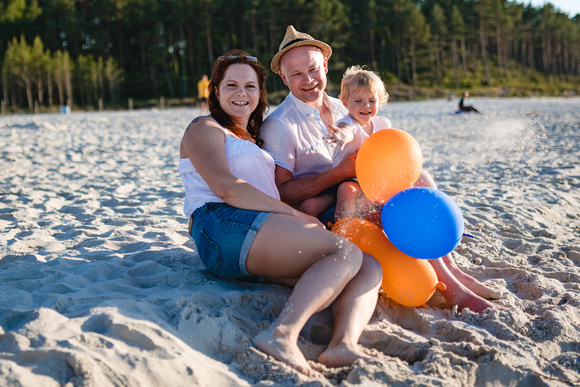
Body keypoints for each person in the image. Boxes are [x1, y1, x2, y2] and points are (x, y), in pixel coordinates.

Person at [261, 25, 500, 314]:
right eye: (296, 74)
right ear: (282, 77)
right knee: (401, 206)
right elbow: (282, 193)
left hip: (360, 185)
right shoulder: (280, 124)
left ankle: (452, 271)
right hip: (331, 209)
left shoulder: (344, 106)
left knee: (421, 180)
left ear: (325, 65)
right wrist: (338, 175)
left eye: (313, 69)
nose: (308, 80)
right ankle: (452, 288)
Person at [179, 50, 383, 376]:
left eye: (250, 86)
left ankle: (342, 345)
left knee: (366, 265)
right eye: (231, 85)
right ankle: (282, 335)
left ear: (261, 93)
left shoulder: (252, 139)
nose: (242, 93)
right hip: (219, 223)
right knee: (343, 252)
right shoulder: (204, 127)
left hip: (256, 233)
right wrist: (295, 216)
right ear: (215, 91)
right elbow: (226, 187)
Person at [301, 65, 392, 222]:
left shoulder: (382, 124)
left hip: (371, 180)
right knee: (330, 197)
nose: (366, 106)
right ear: (344, 103)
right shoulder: (349, 122)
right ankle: (345, 229)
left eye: (372, 100)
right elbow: (347, 130)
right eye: (358, 101)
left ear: (380, 101)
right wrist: (341, 135)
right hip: (344, 179)